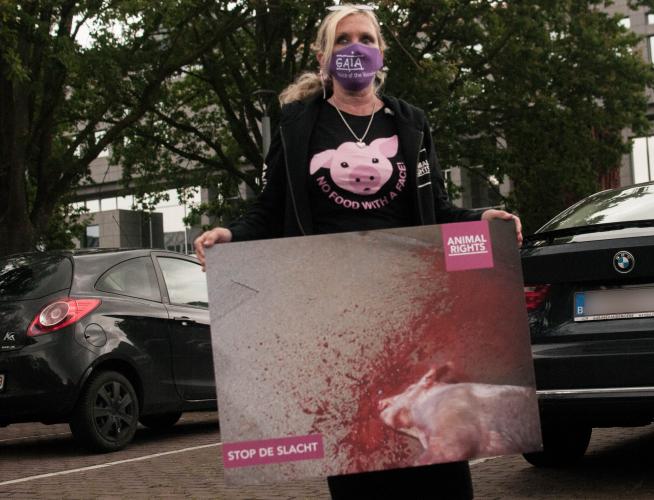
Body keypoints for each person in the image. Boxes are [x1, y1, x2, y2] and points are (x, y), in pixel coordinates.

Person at [194, 4, 522, 499]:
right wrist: (230, 235)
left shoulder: (410, 123)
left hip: (410, 308)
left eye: (365, 38)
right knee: (356, 446)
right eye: (343, 39)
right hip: (334, 313)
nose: (355, 48)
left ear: (381, 53)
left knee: (437, 460)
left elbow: (435, 209)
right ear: (323, 56)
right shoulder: (297, 125)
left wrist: (480, 220)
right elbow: (269, 209)